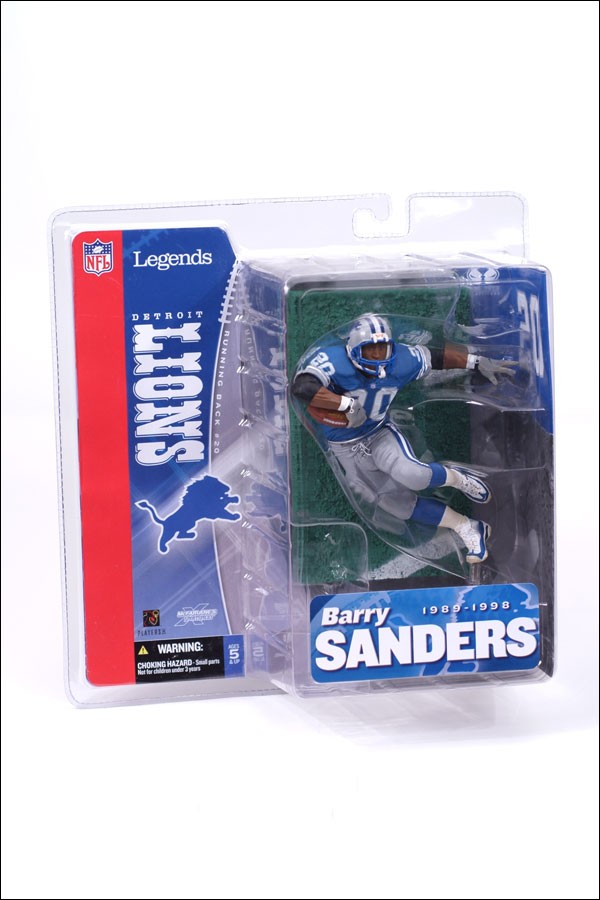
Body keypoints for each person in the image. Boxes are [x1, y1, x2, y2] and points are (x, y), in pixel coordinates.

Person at [291, 313, 517, 564]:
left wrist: (476, 361)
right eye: (370, 351)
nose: (378, 358)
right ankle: (468, 526)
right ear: (352, 349)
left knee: (413, 475)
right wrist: (345, 404)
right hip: (343, 448)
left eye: (383, 349)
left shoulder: (401, 360)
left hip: (377, 433)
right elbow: (302, 387)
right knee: (397, 507)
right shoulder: (335, 361)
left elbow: (436, 357)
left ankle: (458, 479)